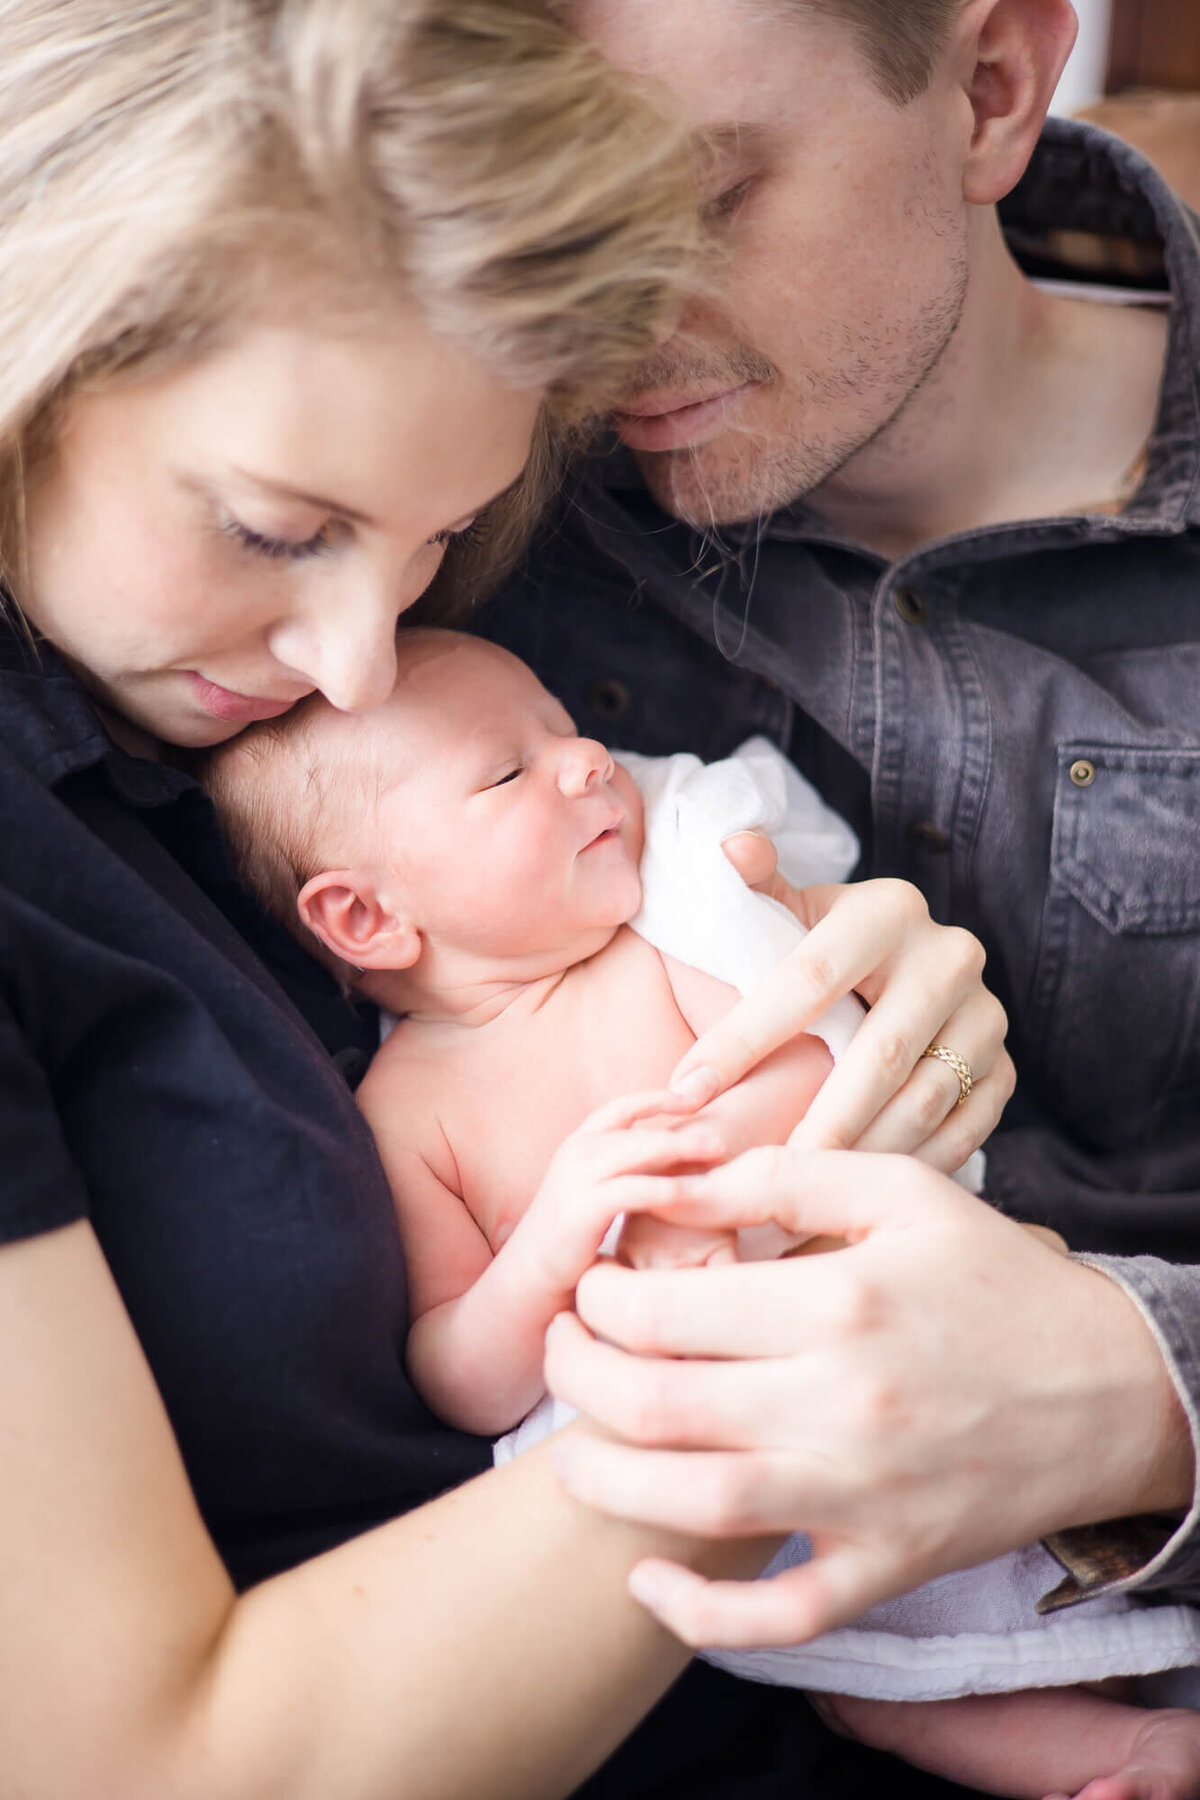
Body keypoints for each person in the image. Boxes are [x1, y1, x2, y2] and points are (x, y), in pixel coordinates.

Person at [0, 3, 1025, 1796]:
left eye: (430, 544)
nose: (355, 662)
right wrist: (862, 1368)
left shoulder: (284, 643)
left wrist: (837, 983)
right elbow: (137, 1770)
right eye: (271, 528)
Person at [476, 0, 1200, 1713]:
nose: (604, 323)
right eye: (545, 216)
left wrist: (1139, 1392)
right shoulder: (453, 522)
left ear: (993, 84)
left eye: (698, 198)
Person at [206, 621, 1200, 1800]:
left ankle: (1141, 1712)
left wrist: (718, 1179)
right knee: (846, 1683)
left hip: (894, 1355)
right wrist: (553, 1241)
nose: (587, 760)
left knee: (1016, 1569)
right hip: (712, 1496)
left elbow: (815, 1066)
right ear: (369, 919)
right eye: (509, 771)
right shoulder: (407, 1114)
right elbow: (460, 1374)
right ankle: (1120, 1759)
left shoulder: (657, 942)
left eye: (567, 728)